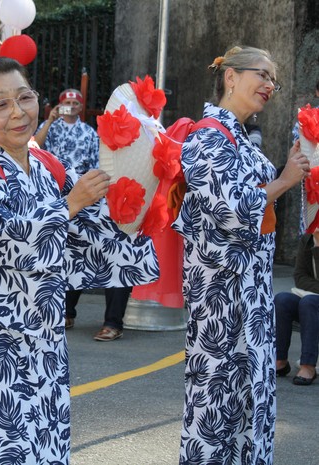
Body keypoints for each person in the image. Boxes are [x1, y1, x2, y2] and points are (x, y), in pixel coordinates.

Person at [0, 56, 159, 465]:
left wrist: (135, 209)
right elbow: (6, 240)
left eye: (24, 97)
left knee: (47, 436)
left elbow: (89, 227)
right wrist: (69, 205)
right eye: (0, 105)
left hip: (44, 331)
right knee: (4, 444)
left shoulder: (47, 165)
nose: (18, 112)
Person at [172, 45, 309, 465]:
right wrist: (284, 180)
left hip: (249, 295)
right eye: (262, 74)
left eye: (274, 79)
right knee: (215, 414)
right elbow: (230, 208)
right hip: (221, 298)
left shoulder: (239, 137)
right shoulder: (207, 136)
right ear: (230, 76)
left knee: (249, 410)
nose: (270, 85)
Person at [34, 88, 128, 340]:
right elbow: (35, 147)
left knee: (86, 248)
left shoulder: (88, 132)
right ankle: (66, 311)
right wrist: (50, 119)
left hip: (84, 194)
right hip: (52, 194)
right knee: (66, 251)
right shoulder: (48, 125)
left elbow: (97, 163)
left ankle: (110, 320)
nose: (71, 106)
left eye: (76, 103)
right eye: (66, 102)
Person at [274, 232, 319, 385]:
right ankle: (280, 360)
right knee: (282, 300)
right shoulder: (307, 240)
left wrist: (318, 248)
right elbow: (300, 277)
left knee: (309, 302)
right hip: (312, 298)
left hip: (312, 301)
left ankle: (308, 365)